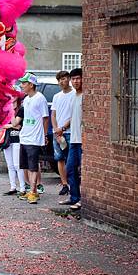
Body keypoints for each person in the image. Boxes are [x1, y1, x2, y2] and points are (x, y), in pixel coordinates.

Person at [17, 73, 49, 204]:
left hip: (34, 139)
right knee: (25, 166)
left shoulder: (40, 98)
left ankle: (34, 193)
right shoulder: (26, 99)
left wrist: (45, 135)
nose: (22, 85)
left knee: (33, 167)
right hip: (24, 137)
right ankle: (31, 190)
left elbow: (45, 118)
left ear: (31, 84)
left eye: (24, 83)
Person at [60, 68, 83, 209]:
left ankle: (83, 200)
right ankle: (74, 197)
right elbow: (72, 117)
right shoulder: (73, 96)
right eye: (73, 79)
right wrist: (62, 129)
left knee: (83, 171)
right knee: (70, 169)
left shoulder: (85, 96)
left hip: (82, 140)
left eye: (78, 78)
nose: (75, 81)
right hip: (73, 139)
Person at [51, 70, 75, 196]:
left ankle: (74, 185)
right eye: (60, 79)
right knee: (59, 159)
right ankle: (64, 184)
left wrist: (63, 128)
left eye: (64, 78)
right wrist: (56, 129)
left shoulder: (75, 94)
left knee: (71, 160)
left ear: (69, 79)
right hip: (58, 134)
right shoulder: (56, 96)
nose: (62, 81)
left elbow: (75, 115)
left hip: (70, 132)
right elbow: (53, 114)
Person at [1, 93, 26, 195]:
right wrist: (11, 125)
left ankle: (23, 188)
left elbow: (17, 124)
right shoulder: (5, 110)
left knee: (17, 165)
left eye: (14, 94)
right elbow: (2, 124)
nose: (12, 96)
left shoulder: (21, 109)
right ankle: (13, 187)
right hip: (7, 139)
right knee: (10, 165)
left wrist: (10, 123)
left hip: (18, 139)